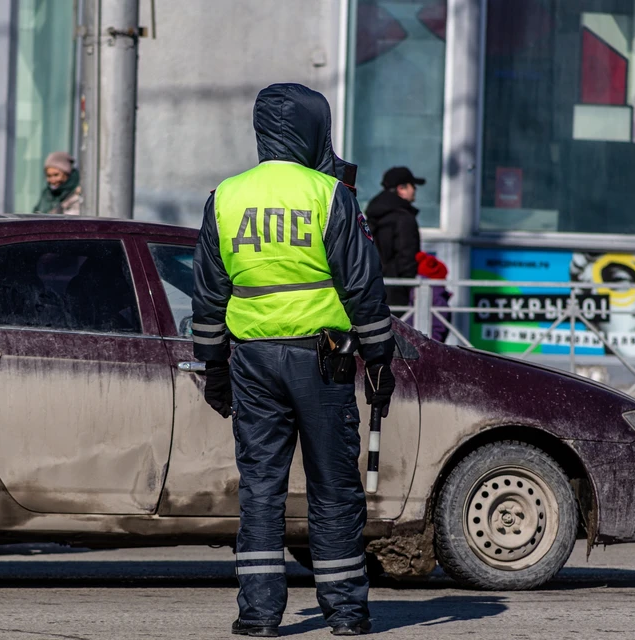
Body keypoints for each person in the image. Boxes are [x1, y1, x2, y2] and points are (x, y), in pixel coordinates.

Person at [192, 83, 396, 637]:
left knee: (261, 487)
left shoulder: (226, 197)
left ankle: (257, 615)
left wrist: (212, 367)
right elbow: (362, 286)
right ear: (313, 131)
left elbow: (208, 296)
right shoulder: (330, 195)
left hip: (251, 361)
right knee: (334, 486)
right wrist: (380, 357)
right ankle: (347, 613)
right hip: (322, 360)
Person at [364, 166, 424, 315]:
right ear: (401, 189)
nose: (414, 190)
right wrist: (410, 286)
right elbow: (407, 257)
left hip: (370, 288)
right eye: (412, 186)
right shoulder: (404, 218)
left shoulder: (373, 215)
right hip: (396, 292)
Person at [410, 251, 451, 343]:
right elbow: (439, 328)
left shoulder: (414, 292)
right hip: (430, 345)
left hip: (412, 341)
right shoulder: (439, 298)